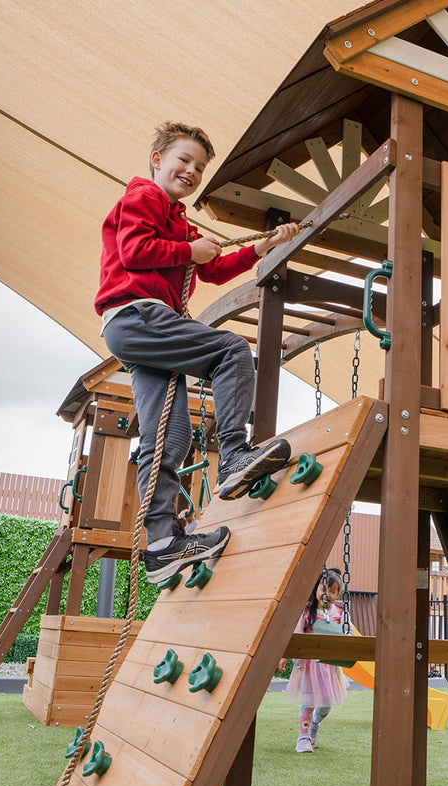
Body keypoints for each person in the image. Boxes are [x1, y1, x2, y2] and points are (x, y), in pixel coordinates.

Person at [96, 121, 300, 585]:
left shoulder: (179, 221)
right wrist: (190, 249)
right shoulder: (144, 196)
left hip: (136, 331)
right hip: (137, 314)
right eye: (183, 161)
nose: (190, 171)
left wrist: (261, 248)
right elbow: (134, 250)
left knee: (168, 436)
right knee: (230, 350)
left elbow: (212, 269)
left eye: (199, 167)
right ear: (157, 160)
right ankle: (233, 455)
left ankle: (163, 543)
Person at [280, 567, 349, 753]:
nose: (327, 594)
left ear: (338, 594)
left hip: (329, 667)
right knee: (308, 702)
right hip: (310, 666)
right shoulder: (306, 611)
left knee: (326, 705)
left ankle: (315, 724)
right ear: (316, 590)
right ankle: (303, 738)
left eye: (333, 591)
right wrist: (285, 655)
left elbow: (345, 637)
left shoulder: (339, 614)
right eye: (324, 589)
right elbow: (295, 634)